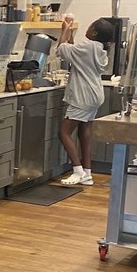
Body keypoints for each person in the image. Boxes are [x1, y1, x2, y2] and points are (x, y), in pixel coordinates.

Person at [56, 16, 114, 186]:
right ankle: (87, 173)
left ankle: (77, 170)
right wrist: (71, 33)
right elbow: (73, 51)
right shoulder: (99, 48)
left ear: (94, 32)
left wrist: (65, 30)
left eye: (89, 27)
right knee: (84, 132)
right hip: (95, 94)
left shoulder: (88, 46)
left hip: (83, 96)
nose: (87, 30)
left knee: (64, 132)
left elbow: (61, 50)